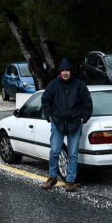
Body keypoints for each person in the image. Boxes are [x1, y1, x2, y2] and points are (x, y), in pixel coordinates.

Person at [40, 58, 93, 191]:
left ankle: (70, 180)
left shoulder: (79, 85)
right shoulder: (53, 85)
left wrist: (83, 119)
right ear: (59, 72)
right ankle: (52, 177)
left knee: (73, 153)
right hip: (57, 123)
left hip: (75, 123)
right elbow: (45, 100)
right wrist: (49, 116)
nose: (65, 73)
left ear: (71, 72)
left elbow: (87, 103)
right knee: (54, 151)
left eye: (67, 70)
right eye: (63, 70)